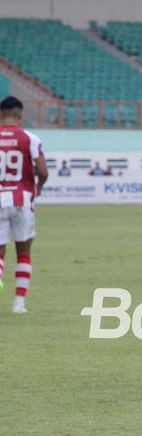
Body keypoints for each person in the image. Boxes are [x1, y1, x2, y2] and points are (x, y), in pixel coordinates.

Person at [0, 96, 48, 314]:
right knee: (24, 252)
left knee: (0, 253)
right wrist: (39, 187)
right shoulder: (30, 138)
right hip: (22, 200)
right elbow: (44, 170)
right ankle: (19, 304)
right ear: (20, 115)